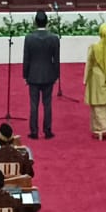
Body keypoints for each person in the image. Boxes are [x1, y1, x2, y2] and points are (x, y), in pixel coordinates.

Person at [22, 11, 60, 139]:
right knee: (47, 104)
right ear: (47, 22)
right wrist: (56, 75)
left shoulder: (29, 38)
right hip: (48, 74)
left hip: (33, 74)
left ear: (35, 22)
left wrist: (25, 75)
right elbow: (56, 59)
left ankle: (34, 131)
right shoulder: (54, 38)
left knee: (34, 104)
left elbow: (26, 58)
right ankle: (47, 130)